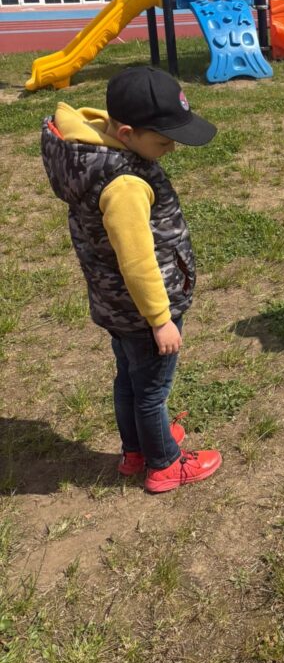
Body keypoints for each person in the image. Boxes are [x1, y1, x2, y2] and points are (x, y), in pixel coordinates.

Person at [41, 66, 222, 493]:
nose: (171, 149)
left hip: (114, 304)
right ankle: (164, 464)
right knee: (152, 391)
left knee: (129, 378)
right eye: (163, 141)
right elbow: (137, 260)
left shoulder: (89, 151)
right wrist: (160, 319)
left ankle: (136, 449)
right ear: (125, 132)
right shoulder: (124, 183)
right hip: (142, 309)